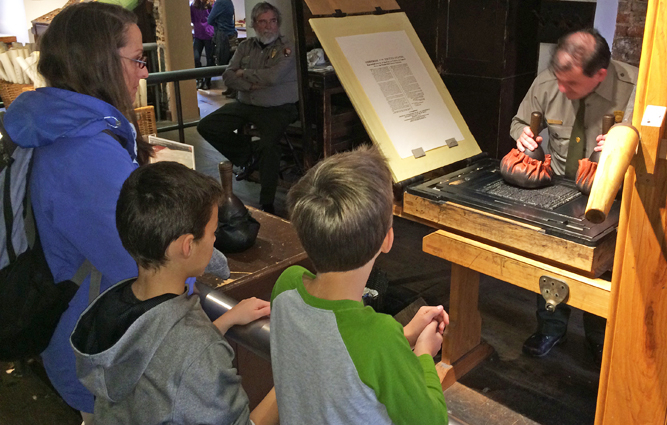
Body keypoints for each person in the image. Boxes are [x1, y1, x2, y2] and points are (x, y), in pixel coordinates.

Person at [4, 3, 155, 421]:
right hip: (97, 358)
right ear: (101, 62)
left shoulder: (55, 122)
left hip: (73, 332)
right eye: (137, 59)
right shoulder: (85, 151)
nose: (144, 72)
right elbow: (146, 265)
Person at [71, 161, 277, 425]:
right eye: (213, 232)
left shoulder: (111, 305)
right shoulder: (200, 351)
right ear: (187, 246)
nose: (215, 240)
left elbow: (161, 353)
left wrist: (225, 320)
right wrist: (292, 379)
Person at [270, 145, 450, 425]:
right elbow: (431, 420)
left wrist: (405, 335)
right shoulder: (380, 337)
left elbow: (337, 355)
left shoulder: (286, 286)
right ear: (387, 239)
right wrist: (423, 354)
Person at [509, 28, 637, 361]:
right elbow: (520, 120)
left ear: (600, 75)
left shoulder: (635, 89)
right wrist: (522, 136)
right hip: (560, 189)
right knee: (551, 257)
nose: (562, 91)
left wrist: (623, 147)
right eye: (559, 81)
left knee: (605, 267)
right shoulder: (549, 82)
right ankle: (550, 328)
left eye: (573, 85)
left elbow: (649, 147)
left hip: (611, 196)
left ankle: (600, 337)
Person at [197, 2, 298, 215]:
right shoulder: (246, 46)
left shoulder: (286, 48)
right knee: (207, 126)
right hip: (247, 103)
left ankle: (267, 202)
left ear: (278, 23)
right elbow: (228, 76)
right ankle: (248, 156)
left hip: (277, 107)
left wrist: (244, 73)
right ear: (254, 24)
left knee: (269, 146)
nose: (269, 26)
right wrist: (250, 84)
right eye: (263, 21)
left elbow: (272, 77)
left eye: (272, 21)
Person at [191, 0, 215, 90]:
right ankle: (199, 79)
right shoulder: (193, 6)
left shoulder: (211, 5)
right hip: (198, 35)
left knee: (210, 59)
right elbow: (192, 19)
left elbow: (214, 18)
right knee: (195, 57)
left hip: (209, 35)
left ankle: (207, 81)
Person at [207, 0, 237, 68]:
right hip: (231, 34)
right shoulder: (229, 2)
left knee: (221, 64)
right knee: (231, 64)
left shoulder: (219, 2)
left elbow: (209, 20)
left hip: (222, 35)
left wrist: (216, 24)